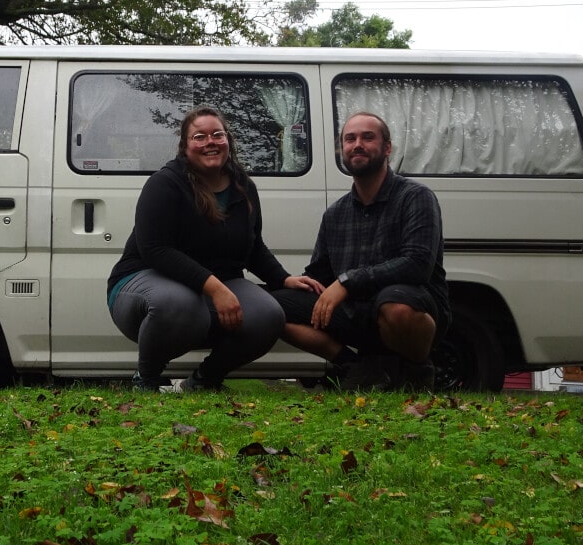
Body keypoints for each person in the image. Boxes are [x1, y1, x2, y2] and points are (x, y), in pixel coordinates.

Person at [107, 105, 322, 391]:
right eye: (199, 137)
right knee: (180, 303)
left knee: (269, 314)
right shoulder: (164, 184)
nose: (210, 142)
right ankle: (146, 378)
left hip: (212, 286)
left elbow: (253, 246)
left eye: (217, 134)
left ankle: (204, 381)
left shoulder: (243, 186)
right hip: (142, 282)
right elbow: (155, 249)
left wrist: (283, 279)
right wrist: (215, 288)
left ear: (228, 140)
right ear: (185, 146)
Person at [273, 111, 449, 390]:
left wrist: (347, 282)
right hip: (354, 313)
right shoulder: (335, 213)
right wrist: (296, 284)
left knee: (395, 305)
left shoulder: (416, 197)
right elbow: (320, 274)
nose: (357, 145)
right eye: (350, 139)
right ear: (341, 149)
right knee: (272, 309)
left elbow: (417, 264)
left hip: (408, 308)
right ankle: (357, 367)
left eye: (368, 138)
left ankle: (417, 371)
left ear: (387, 148)